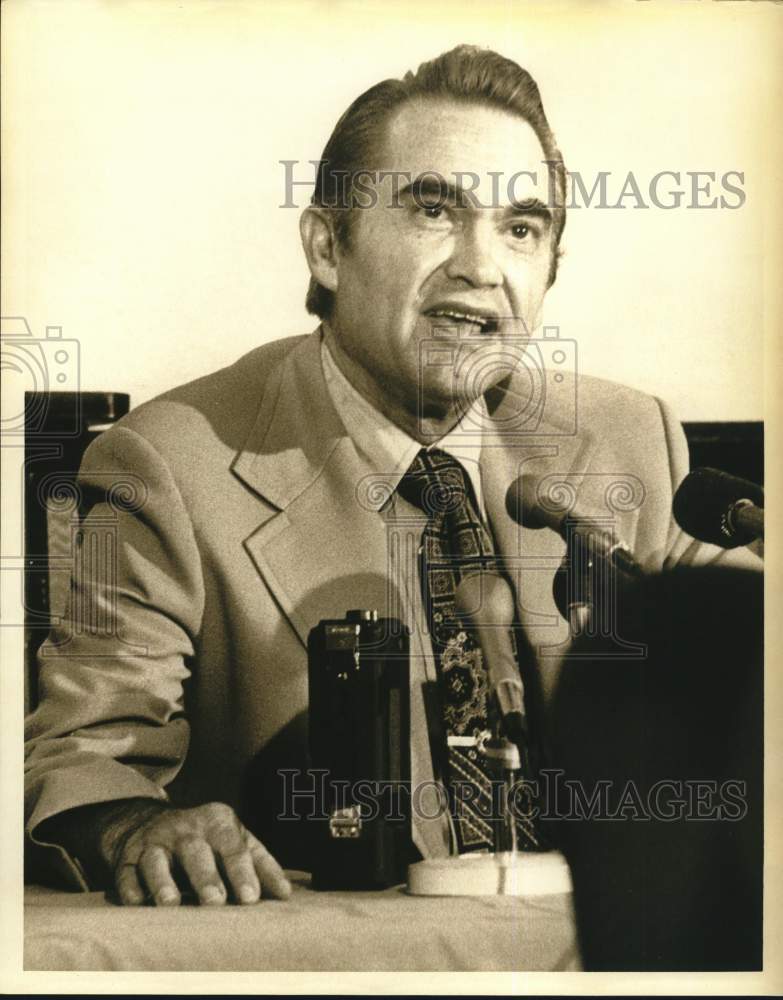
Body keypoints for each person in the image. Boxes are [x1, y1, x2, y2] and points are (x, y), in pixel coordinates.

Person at [24, 45, 754, 908]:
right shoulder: (169, 466)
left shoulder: (626, 440)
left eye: (521, 228)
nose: (481, 265)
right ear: (328, 246)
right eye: (435, 210)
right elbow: (81, 759)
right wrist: (133, 827)